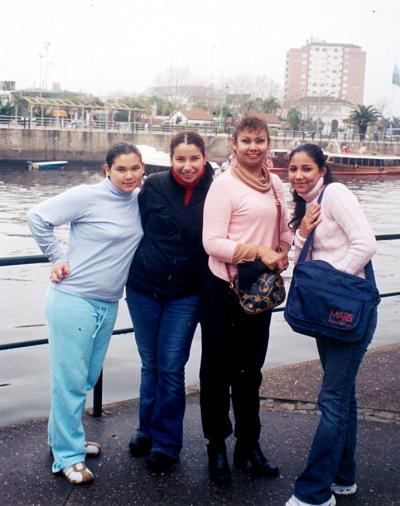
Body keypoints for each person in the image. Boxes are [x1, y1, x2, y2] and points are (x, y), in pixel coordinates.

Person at [27, 142, 144, 484]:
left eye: (135, 168)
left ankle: (62, 437)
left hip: (109, 302)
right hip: (73, 298)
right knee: (71, 380)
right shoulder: (86, 196)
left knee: (87, 376)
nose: (129, 175)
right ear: (106, 169)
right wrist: (56, 256)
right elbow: (37, 217)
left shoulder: (139, 200)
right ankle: (68, 456)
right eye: (121, 169)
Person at [200, 116, 292, 485]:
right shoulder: (223, 186)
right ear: (234, 144)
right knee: (216, 372)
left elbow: (283, 232)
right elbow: (212, 243)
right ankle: (217, 446)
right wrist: (258, 251)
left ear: (268, 143)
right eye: (247, 140)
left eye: (260, 140)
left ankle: (249, 445)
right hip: (224, 289)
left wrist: (284, 249)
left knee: (251, 371)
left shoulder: (276, 185)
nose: (254, 147)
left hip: (259, 292)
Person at [285, 144, 377, 506]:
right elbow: (300, 258)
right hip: (332, 316)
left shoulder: (335, 193)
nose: (299, 175)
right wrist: (303, 233)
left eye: (306, 168)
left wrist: (332, 286)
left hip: (347, 312)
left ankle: (314, 493)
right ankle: (343, 477)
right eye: (293, 169)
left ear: (322, 169)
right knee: (343, 397)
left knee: (332, 400)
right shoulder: (307, 205)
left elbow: (365, 244)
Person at [125, 131, 214, 473]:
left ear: (204, 158)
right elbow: (124, 221)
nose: (187, 166)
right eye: (181, 159)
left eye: (194, 159)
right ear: (171, 158)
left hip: (186, 294)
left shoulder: (217, 190)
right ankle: (145, 429)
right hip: (144, 288)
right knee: (151, 365)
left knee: (172, 367)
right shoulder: (154, 186)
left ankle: (166, 442)